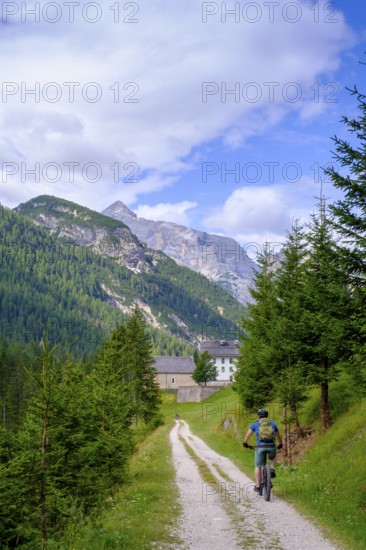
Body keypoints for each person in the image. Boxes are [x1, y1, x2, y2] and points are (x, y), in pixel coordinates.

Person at [242, 408, 283, 493]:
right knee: (272, 457)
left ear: (259, 416)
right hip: (271, 446)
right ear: (267, 415)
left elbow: (247, 435)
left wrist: (245, 443)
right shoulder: (272, 424)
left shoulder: (255, 424)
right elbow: (278, 436)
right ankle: (272, 468)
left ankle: (258, 486)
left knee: (258, 466)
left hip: (260, 448)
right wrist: (280, 444)